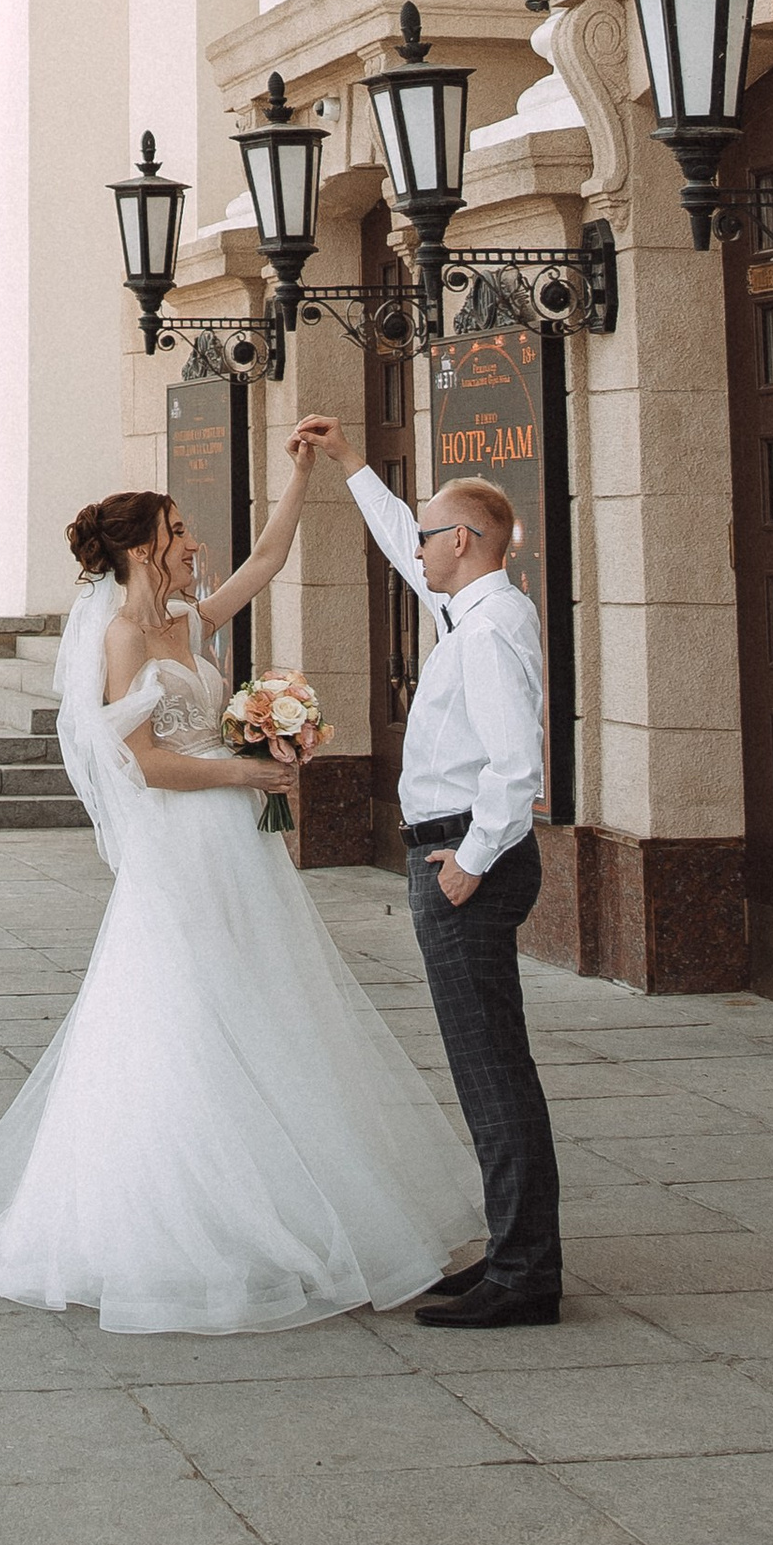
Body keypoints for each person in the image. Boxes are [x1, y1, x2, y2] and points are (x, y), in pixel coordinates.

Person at [0, 457, 486, 1335]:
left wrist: (300, 472)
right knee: (184, 1012)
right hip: (179, 848)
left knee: (265, 1004)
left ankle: (292, 1196)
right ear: (147, 549)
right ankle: (187, 1223)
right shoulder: (122, 639)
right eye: (179, 532)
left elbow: (266, 559)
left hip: (234, 843)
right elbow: (145, 763)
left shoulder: (187, 616)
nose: (193, 543)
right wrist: (246, 768)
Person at [300, 414, 564, 1332]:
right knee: (488, 1064)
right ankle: (512, 1246)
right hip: (460, 847)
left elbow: (515, 766)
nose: (416, 546)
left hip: (465, 855)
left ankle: (526, 1272)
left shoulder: (489, 632)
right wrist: (351, 468)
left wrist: (471, 864)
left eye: (427, 531)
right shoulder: (476, 604)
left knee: (493, 1069)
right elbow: (401, 552)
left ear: (464, 540)